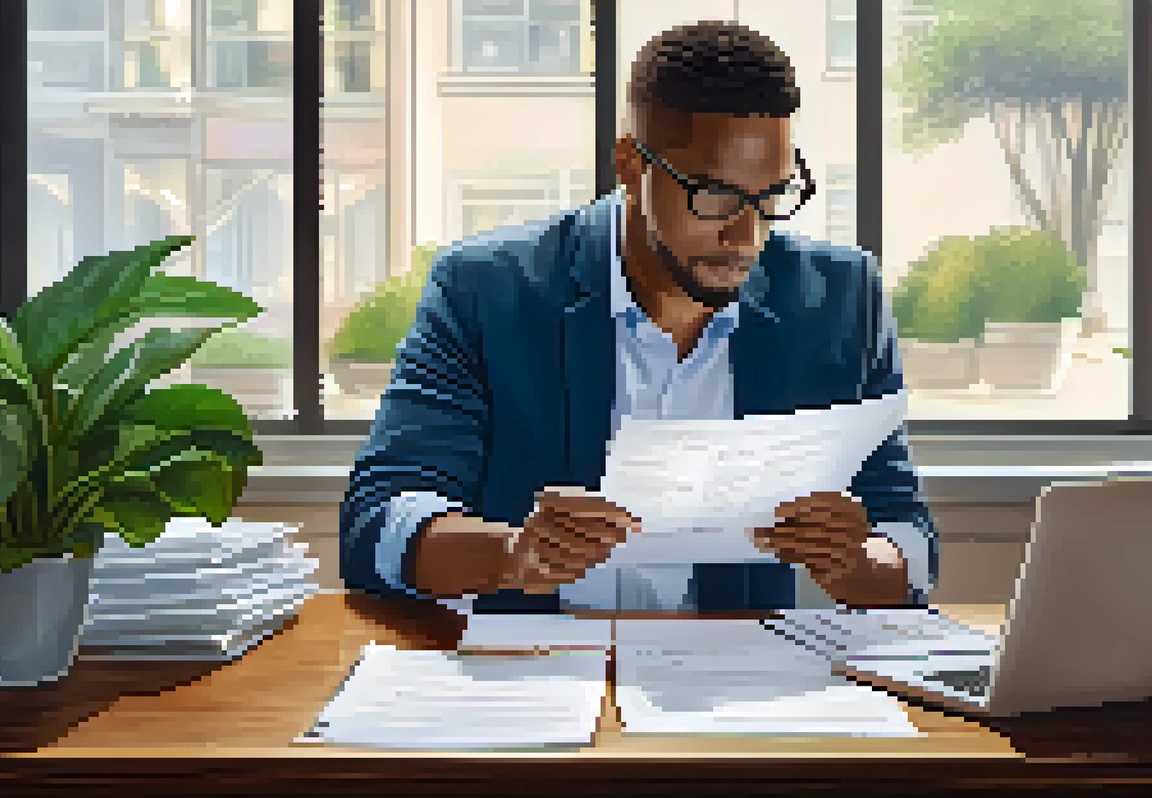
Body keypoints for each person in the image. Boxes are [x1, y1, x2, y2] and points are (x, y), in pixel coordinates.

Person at [340, 21, 938, 614]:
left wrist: (859, 561)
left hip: (732, 687)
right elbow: (380, 519)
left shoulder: (839, 296)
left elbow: (908, 535)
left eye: (772, 197)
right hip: (538, 677)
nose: (745, 236)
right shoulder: (486, 288)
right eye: (716, 198)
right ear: (630, 165)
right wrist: (512, 554)